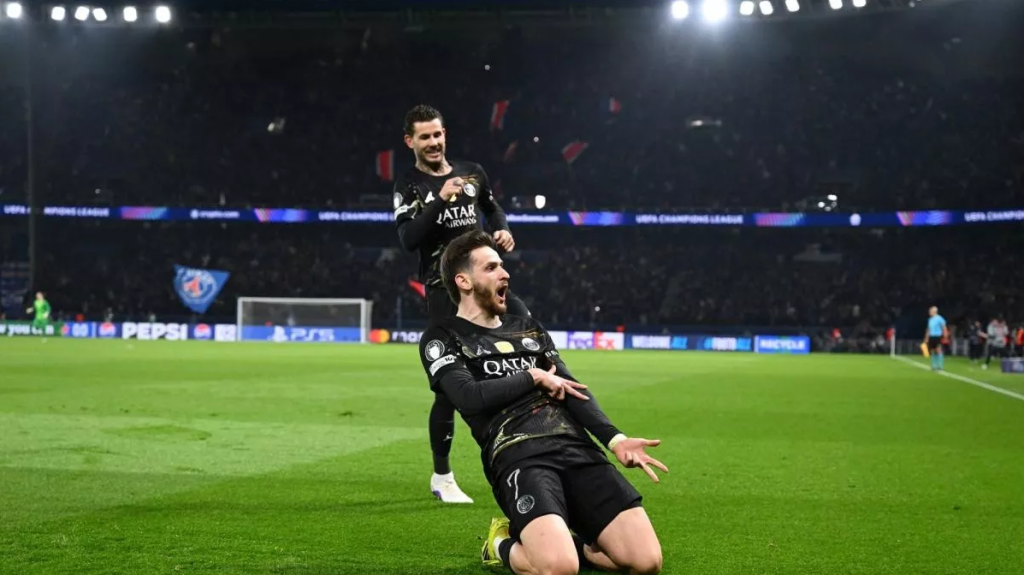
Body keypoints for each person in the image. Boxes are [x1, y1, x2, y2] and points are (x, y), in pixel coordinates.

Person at [419, 230, 666, 575]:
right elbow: (468, 397)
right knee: (559, 569)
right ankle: (501, 544)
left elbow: (573, 390)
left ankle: (573, 543)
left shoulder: (529, 329)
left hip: (575, 446)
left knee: (646, 562)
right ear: (464, 281)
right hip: (518, 454)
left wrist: (616, 440)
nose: (504, 273)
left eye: (502, 265)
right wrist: (532, 376)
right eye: (491, 268)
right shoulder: (443, 336)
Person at [394, 104, 532, 504]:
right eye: (424, 136)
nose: (433, 142)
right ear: (410, 141)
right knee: (448, 388)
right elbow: (408, 239)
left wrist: (502, 229)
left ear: (445, 134)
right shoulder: (409, 184)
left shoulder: (472, 172)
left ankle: (529, 446)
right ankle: (442, 477)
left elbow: (491, 206)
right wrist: (439, 200)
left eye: (437, 134)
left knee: (525, 329)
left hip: (484, 286)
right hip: (444, 292)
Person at [923, 306, 947, 371]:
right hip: (931, 336)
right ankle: (934, 366)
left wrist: (945, 335)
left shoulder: (940, 318)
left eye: (930, 311)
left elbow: (944, 327)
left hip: (938, 336)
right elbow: (928, 329)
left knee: (938, 350)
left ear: (934, 311)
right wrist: (926, 337)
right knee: (933, 351)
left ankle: (940, 366)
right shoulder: (930, 319)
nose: (929, 312)